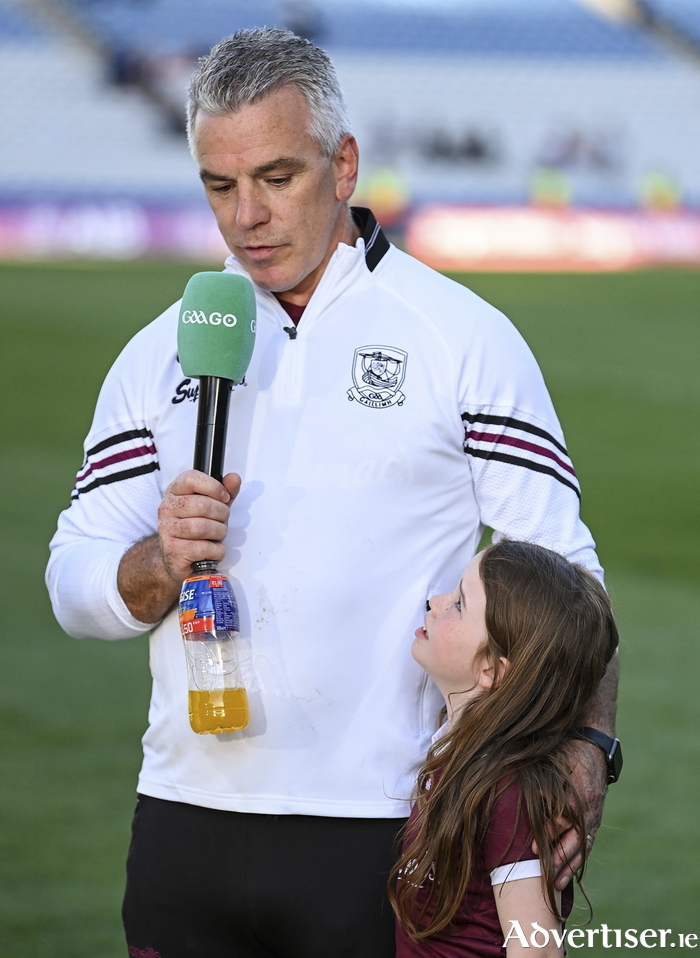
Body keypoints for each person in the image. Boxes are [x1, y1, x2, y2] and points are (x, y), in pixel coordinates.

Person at [45, 27, 619, 958]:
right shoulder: (157, 354)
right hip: (184, 819)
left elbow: (567, 577)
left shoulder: (461, 337)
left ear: (342, 163)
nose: (248, 217)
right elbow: (73, 583)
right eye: (220, 186)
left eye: (278, 177)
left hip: (393, 827)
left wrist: (588, 751)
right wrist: (153, 565)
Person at [391, 540, 618, 957]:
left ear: (491, 668)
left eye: (458, 602)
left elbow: (538, 950)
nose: (435, 600)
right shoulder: (460, 754)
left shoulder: (505, 791)